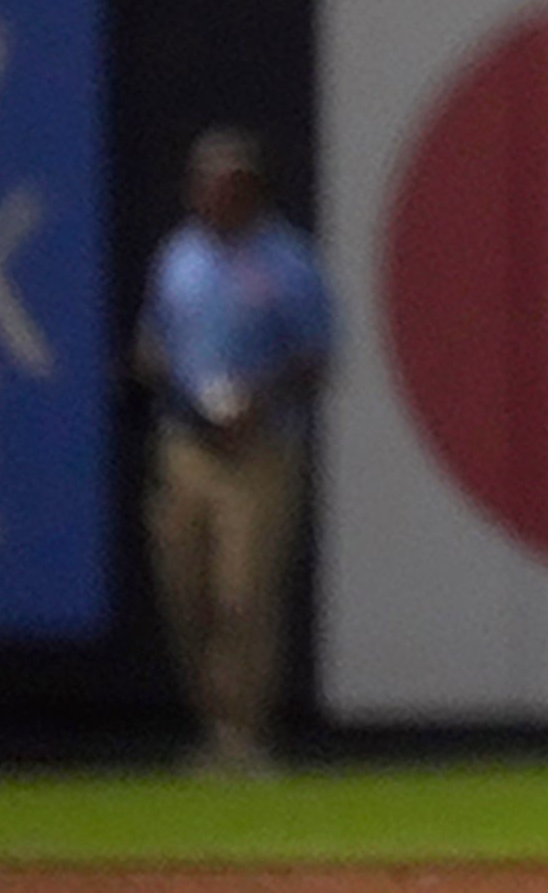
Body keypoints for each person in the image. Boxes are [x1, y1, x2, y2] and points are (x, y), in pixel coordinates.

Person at [132, 127, 333, 773]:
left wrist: (256, 399)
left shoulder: (286, 264)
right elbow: (153, 343)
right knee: (185, 593)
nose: (214, 195)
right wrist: (169, 380)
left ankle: (240, 738)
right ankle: (212, 723)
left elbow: (317, 358)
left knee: (242, 595)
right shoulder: (178, 258)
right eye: (206, 184)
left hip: (259, 449)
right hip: (185, 445)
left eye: (228, 184)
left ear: (252, 190)